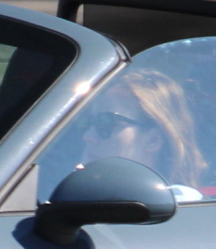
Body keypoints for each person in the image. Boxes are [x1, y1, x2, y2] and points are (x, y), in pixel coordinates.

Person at [61, 69, 207, 193]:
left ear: (153, 141)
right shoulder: (75, 197)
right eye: (87, 122)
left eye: (106, 123)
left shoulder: (180, 209)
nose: (88, 136)